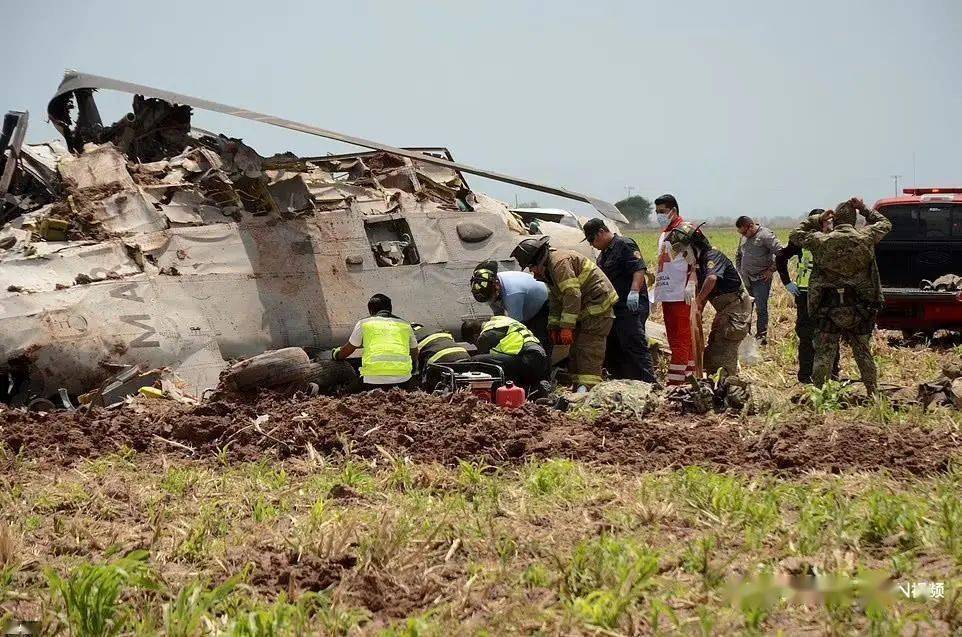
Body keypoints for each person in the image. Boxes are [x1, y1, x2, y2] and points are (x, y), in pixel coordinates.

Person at [789, 198, 892, 395]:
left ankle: (819, 395)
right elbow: (886, 224)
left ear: (834, 220)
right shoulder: (866, 237)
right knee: (863, 352)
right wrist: (863, 209)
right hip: (860, 308)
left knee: (823, 354)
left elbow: (795, 235)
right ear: (853, 220)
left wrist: (818, 219)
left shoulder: (820, 240)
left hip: (828, 308)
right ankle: (873, 393)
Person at [511, 236, 618, 391]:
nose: (532, 272)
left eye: (530, 267)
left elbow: (572, 294)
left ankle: (588, 393)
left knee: (588, 352)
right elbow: (556, 300)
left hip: (598, 309)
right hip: (585, 311)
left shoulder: (559, 263)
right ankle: (579, 390)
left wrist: (566, 326)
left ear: (537, 261)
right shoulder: (549, 270)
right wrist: (554, 326)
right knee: (574, 353)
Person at [667, 223, 752, 378]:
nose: (684, 256)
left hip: (735, 311)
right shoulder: (700, 263)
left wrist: (699, 300)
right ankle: (716, 388)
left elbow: (712, 278)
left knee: (722, 354)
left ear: (694, 245)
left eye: (685, 252)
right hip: (725, 311)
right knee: (711, 354)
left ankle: (730, 391)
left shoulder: (712, 256)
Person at [582, 218, 656, 383]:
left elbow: (638, 268)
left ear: (601, 232)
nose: (592, 244)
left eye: (591, 239)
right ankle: (622, 383)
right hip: (615, 308)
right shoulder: (603, 255)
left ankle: (648, 383)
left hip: (631, 306)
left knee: (634, 344)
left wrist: (634, 291)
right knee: (616, 348)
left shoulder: (624, 244)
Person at [775, 209, 838, 383]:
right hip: (806, 294)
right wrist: (787, 282)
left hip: (829, 294)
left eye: (829, 221)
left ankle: (832, 374)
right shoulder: (803, 240)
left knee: (831, 334)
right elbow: (780, 257)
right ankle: (805, 376)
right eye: (824, 221)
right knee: (806, 336)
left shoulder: (835, 238)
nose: (827, 224)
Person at [653, 194, 696, 385]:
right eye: (657, 212)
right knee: (673, 337)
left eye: (662, 212)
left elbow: (698, 260)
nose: (659, 215)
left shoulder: (686, 231)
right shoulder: (664, 234)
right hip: (667, 292)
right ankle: (688, 377)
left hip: (681, 293)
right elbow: (663, 264)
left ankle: (676, 382)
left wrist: (692, 281)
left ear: (673, 211)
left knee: (682, 337)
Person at [333, 294, 417, 389]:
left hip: (372, 381)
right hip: (403, 381)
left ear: (371, 311)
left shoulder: (364, 323)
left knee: (345, 391)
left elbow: (348, 350)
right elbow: (414, 352)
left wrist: (336, 354)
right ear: (390, 308)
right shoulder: (405, 325)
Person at [470, 261, 550, 349]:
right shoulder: (490, 285)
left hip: (542, 304)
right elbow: (499, 316)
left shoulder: (512, 294)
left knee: (536, 341)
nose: (490, 302)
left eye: (490, 299)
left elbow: (517, 326)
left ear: (496, 287)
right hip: (525, 305)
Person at [461, 316, 547, 388]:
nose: (475, 345)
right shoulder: (500, 320)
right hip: (541, 358)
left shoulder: (485, 336)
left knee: (476, 361)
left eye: (472, 342)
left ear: (475, 335)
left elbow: (484, 363)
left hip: (528, 359)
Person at [735, 216, 782, 344]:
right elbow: (739, 255)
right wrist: (740, 270)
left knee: (761, 308)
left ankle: (761, 338)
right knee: (746, 308)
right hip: (746, 279)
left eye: (745, 232)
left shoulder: (765, 235)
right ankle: (746, 336)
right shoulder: (744, 237)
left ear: (750, 226)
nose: (743, 235)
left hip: (761, 279)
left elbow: (781, 253)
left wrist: (771, 270)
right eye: (741, 233)